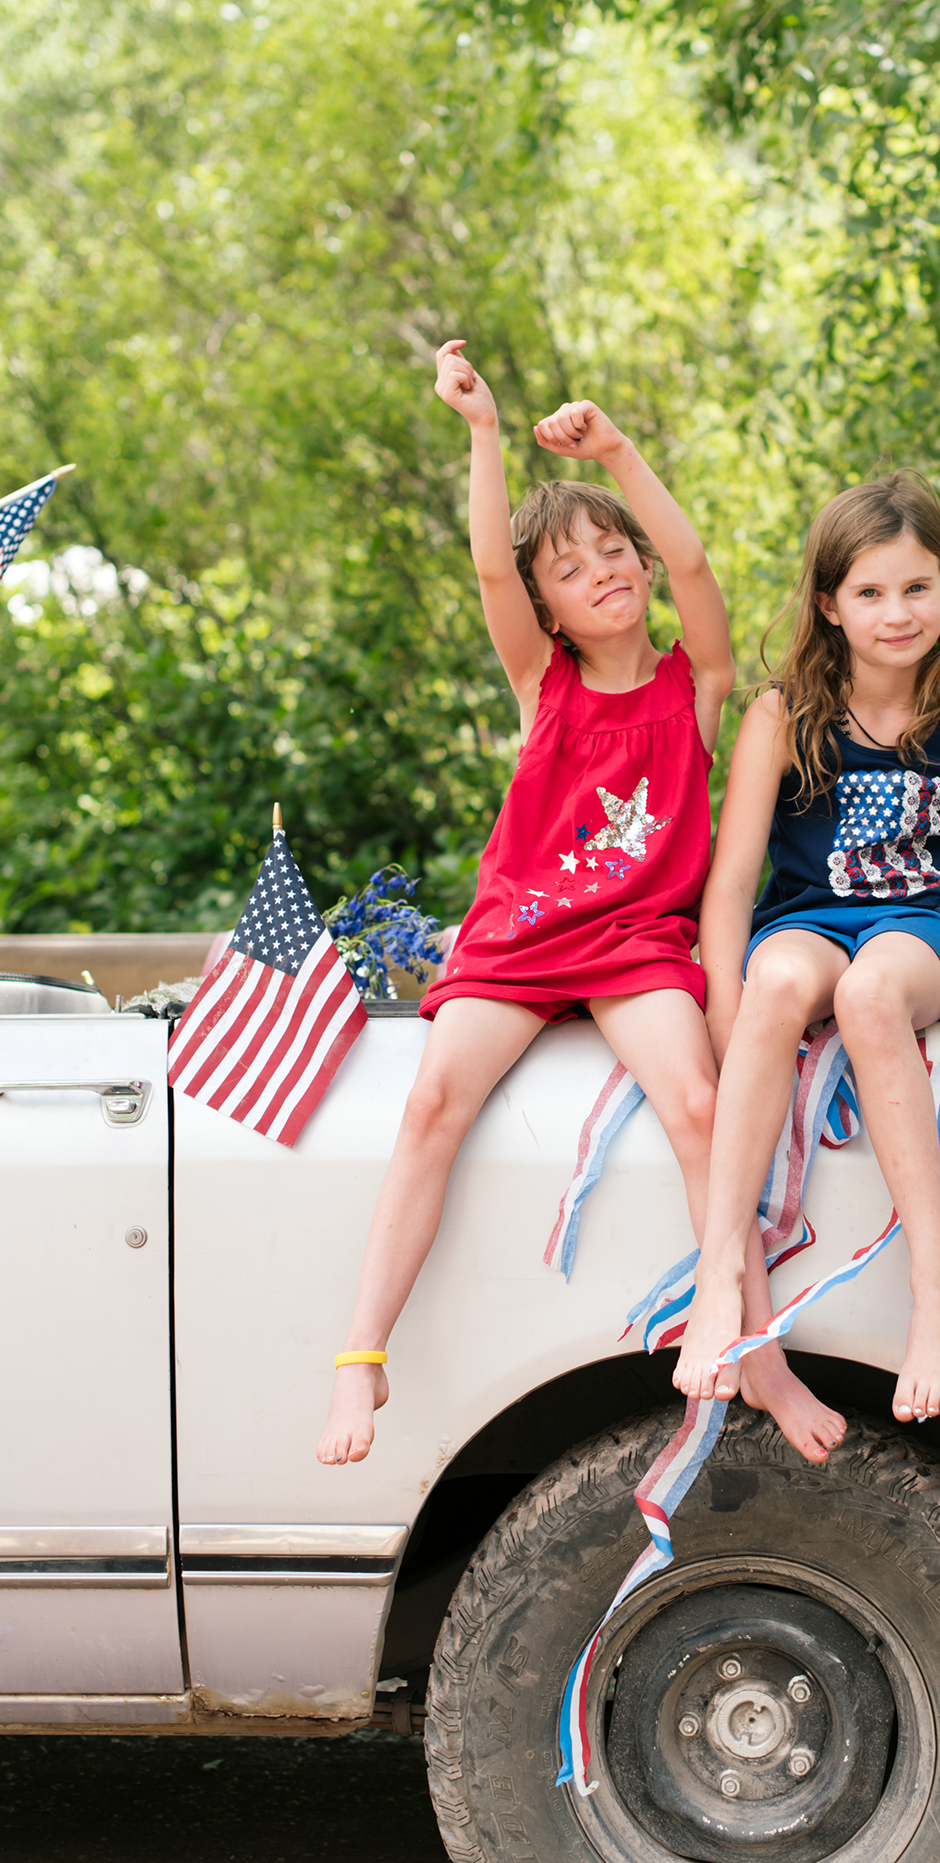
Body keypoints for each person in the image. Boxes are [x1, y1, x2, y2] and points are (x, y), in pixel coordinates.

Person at [319, 342, 816, 1465]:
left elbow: (694, 568)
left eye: (613, 552)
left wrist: (620, 454)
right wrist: (486, 434)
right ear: (544, 608)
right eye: (570, 567)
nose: (604, 570)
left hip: (637, 944)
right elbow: (492, 570)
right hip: (522, 934)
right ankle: (360, 1359)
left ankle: (755, 1349)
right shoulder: (545, 684)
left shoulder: (697, 685)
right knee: (434, 1100)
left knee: (700, 1103)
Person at [672, 471, 940, 1444]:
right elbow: (733, 884)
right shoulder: (783, 714)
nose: (896, 611)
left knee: (871, 996)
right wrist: (724, 1004)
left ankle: (936, 1296)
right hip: (809, 918)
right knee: (780, 980)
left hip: (926, 930)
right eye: (870, 592)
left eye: (917, 587)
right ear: (829, 603)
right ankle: (719, 1282)